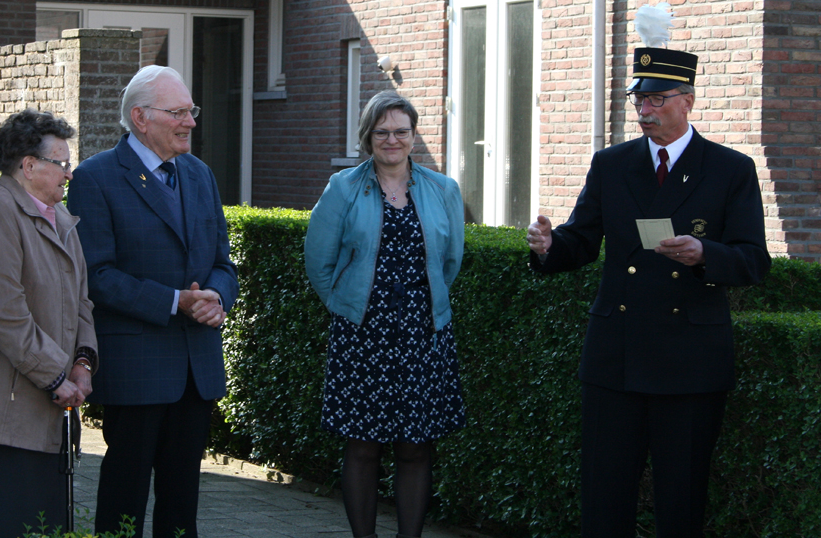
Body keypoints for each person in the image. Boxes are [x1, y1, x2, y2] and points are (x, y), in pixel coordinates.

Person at [526, 43, 771, 537]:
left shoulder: (729, 169)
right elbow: (583, 239)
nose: (645, 111)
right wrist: (550, 246)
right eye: (639, 100)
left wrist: (705, 255)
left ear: (688, 100)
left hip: (690, 360)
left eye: (657, 100)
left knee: (681, 499)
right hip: (617, 355)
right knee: (603, 495)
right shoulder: (613, 164)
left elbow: (753, 260)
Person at [66, 65, 238, 538]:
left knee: (182, 505)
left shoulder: (200, 175)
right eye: (179, 112)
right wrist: (173, 301)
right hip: (137, 369)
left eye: (192, 111)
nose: (191, 121)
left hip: (195, 368)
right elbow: (95, 276)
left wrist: (215, 297)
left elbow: (224, 263)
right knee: (124, 500)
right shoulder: (95, 177)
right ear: (141, 117)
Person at [304, 90, 465, 538]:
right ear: (368, 137)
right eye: (382, 132)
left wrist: (420, 304)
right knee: (363, 445)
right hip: (362, 333)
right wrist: (348, 306)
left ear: (414, 136)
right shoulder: (343, 188)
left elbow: (450, 261)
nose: (392, 140)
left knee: (416, 446)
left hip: (422, 332)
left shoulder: (443, 190)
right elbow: (318, 261)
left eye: (401, 131)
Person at [0, 110, 98, 537]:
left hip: (52, 410)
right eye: (62, 163)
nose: (70, 173)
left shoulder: (62, 219)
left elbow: (83, 300)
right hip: (5, 422)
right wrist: (55, 377)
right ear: (28, 166)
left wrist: (83, 364)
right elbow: (2, 312)